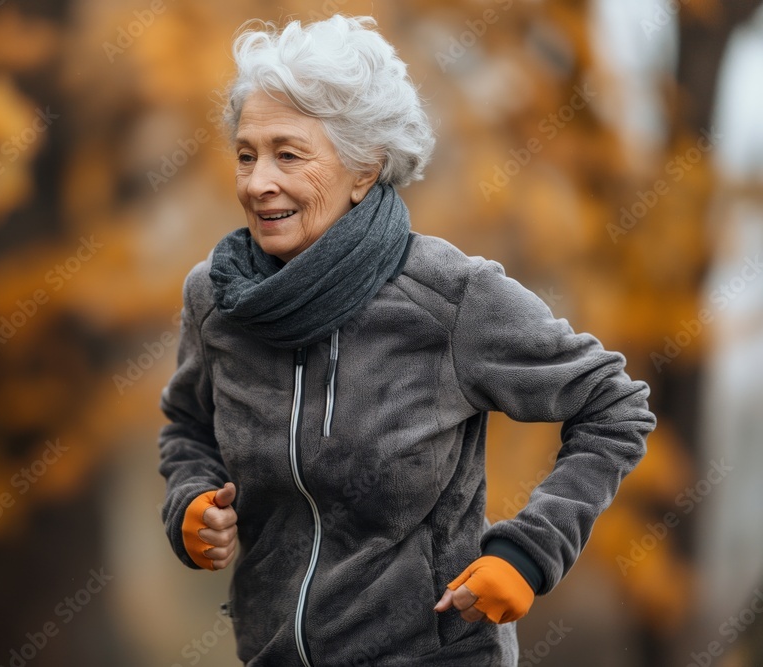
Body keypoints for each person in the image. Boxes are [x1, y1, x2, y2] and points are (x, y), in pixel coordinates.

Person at [158, 14, 655, 666]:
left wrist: (530, 552)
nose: (257, 182)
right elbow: (188, 424)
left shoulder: (450, 297)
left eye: (288, 153)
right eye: (246, 154)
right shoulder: (217, 299)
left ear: (365, 168)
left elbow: (614, 406)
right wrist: (190, 500)